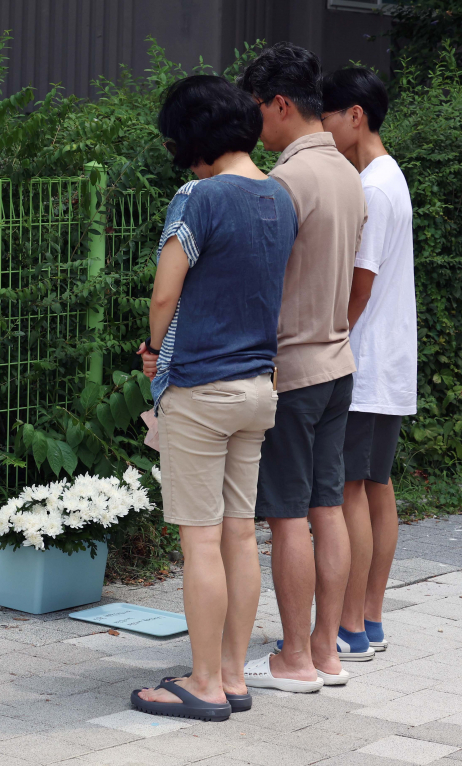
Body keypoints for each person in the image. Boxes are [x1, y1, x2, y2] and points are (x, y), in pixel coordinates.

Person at [131, 75, 296, 722]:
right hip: (259, 388)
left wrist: (152, 347)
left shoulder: (197, 197)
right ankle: (231, 675)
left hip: (201, 390)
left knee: (200, 542)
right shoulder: (279, 196)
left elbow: (165, 295)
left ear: (192, 140)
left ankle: (201, 684)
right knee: (238, 537)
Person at [237, 43, 370, 693]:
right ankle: (326, 652)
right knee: (327, 508)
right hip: (340, 361)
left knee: (288, 515)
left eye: (257, 110)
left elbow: (262, 281)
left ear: (280, 105)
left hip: (294, 367)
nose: (254, 126)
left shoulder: (288, 181)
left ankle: (291, 659)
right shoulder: (349, 172)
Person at [321, 67, 416, 654]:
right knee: (375, 486)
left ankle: (350, 626)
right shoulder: (390, 176)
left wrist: (329, 338)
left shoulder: (373, 188)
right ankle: (370, 618)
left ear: (354, 115)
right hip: (390, 362)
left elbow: (359, 288)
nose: (326, 130)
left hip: (367, 360)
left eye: (328, 117)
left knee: (351, 491)